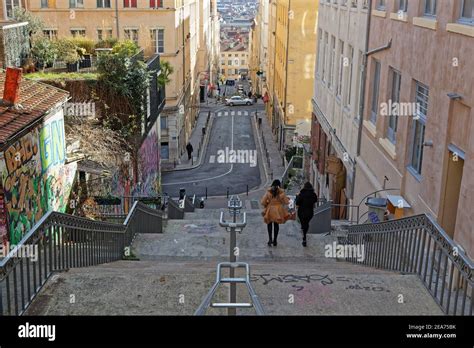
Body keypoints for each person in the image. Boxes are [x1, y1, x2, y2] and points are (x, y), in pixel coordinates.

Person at [261, 179, 290, 247]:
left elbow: (263, 202)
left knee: (269, 224)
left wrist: (267, 203)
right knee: (276, 225)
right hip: (278, 210)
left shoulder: (268, 192)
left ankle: (270, 239)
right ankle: (275, 240)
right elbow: (286, 202)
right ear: (279, 185)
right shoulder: (281, 193)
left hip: (270, 209)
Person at [295, 182, 318, 247]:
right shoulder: (313, 194)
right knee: (306, 223)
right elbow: (315, 200)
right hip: (309, 212)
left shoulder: (302, 194)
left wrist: (297, 197)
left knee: (303, 224)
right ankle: (304, 235)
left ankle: (304, 236)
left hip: (301, 212)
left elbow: (297, 203)